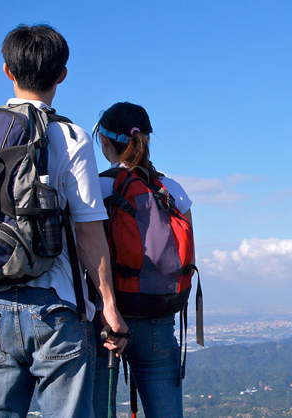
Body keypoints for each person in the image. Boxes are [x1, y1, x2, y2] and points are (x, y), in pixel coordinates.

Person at [0, 24, 128, 418]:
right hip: (56, 309)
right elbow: (89, 231)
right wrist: (109, 305)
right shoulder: (70, 137)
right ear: (62, 74)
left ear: (7, 70)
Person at [93, 102, 195, 418]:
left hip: (104, 322)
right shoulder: (172, 189)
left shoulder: (98, 187)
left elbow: (85, 249)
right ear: (146, 140)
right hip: (158, 317)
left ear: (106, 143)